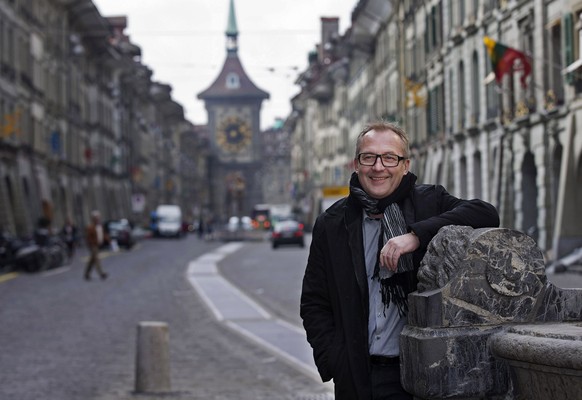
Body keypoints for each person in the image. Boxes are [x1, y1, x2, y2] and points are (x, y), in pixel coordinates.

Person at [300, 121, 500, 400]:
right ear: (356, 164)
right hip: (358, 375)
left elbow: (485, 213)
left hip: (420, 373)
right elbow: (314, 301)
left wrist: (417, 235)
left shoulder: (429, 202)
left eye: (389, 157)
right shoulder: (331, 223)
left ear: (405, 165)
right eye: (368, 157)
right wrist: (335, 360)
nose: (378, 167)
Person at [84, 210, 108, 280]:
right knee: (96, 259)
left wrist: (108, 240)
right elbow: (88, 237)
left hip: (98, 245)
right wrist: (91, 244)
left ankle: (87, 274)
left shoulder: (100, 226)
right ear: (93, 219)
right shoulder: (90, 227)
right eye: (96, 218)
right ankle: (101, 273)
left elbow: (103, 234)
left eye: (98, 217)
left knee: (92, 260)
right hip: (93, 245)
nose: (98, 219)